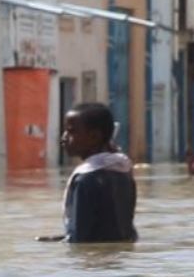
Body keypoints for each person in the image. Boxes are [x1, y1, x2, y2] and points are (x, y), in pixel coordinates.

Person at [45, 103, 138, 244]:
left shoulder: (85, 180)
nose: (64, 138)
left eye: (71, 132)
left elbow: (80, 239)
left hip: (92, 262)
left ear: (94, 137)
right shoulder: (123, 171)